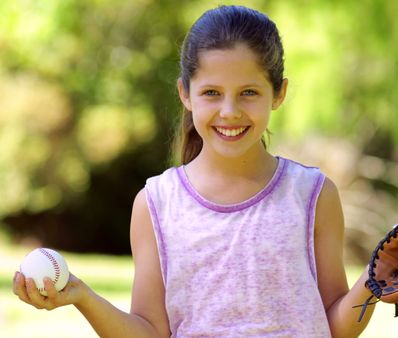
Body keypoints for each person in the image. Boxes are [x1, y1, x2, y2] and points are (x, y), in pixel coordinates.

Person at [12, 5, 376, 337]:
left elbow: (335, 328)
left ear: (278, 93)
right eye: (212, 93)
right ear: (185, 93)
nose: (230, 111)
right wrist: (83, 297)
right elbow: (150, 331)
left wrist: (377, 279)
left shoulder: (312, 194)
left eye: (249, 92)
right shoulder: (157, 204)